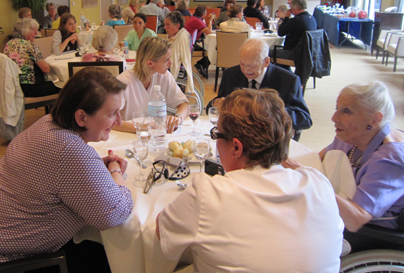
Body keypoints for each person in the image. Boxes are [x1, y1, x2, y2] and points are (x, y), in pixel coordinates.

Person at [0, 67, 133, 271]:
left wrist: (95, 167)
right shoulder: (69, 151)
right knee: (116, 260)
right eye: (111, 114)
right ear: (81, 117)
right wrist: (116, 171)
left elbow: (55, 173)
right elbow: (114, 214)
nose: (119, 121)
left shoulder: (46, 124)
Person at [156, 88, 344, 273]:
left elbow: (161, 231)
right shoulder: (319, 183)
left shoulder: (208, 193)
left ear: (237, 147)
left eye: (216, 135)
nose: (216, 141)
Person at [319, 81, 404, 232]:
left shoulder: (389, 160)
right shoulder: (349, 135)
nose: (334, 118)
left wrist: (314, 186)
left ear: (375, 119)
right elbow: (320, 158)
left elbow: (355, 219)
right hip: (341, 208)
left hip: (372, 233)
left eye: (346, 111)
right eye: (336, 108)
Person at [207, 38, 312, 132]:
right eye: (242, 64)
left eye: (251, 66)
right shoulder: (231, 74)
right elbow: (212, 107)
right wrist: (215, 103)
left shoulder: (288, 80)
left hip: (269, 139)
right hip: (237, 135)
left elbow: (304, 119)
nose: (245, 70)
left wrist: (265, 110)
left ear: (266, 62)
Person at [116, 37, 188, 134]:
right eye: (166, 60)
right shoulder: (123, 82)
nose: (170, 63)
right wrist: (143, 127)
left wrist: (178, 118)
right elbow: (109, 120)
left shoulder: (164, 76)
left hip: (156, 137)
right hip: (129, 137)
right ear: (150, 63)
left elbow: (184, 105)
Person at [5, 18, 60, 97]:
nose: (36, 33)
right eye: (33, 30)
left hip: (14, 86)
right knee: (63, 85)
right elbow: (46, 69)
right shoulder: (30, 46)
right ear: (25, 31)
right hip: (32, 88)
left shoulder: (10, 43)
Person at [164, 11, 194, 93]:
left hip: (174, 69)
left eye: (168, 24)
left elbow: (173, 61)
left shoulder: (180, 38)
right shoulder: (181, 34)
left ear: (177, 26)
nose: (164, 27)